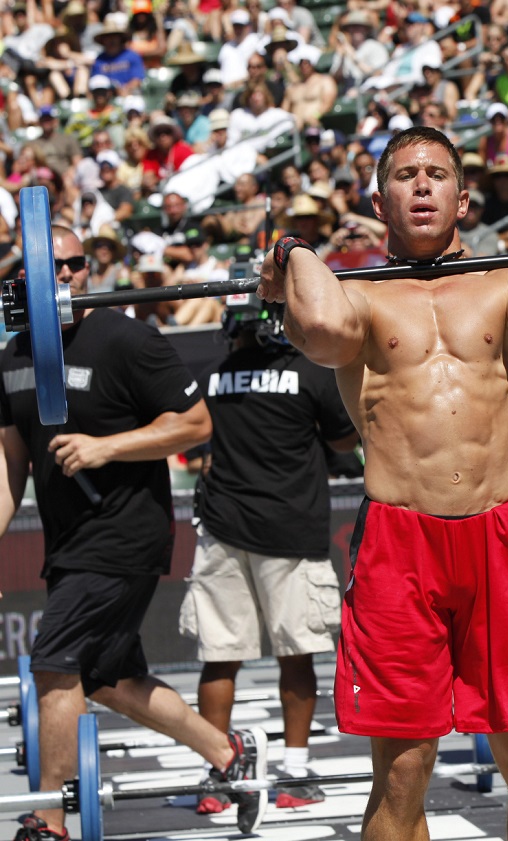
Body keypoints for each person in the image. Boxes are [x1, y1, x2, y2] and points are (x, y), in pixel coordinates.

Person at [256, 126, 508, 841]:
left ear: (464, 197)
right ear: (380, 202)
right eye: (405, 175)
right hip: (399, 542)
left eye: (437, 173)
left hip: (501, 535)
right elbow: (320, 328)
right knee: (402, 768)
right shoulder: (358, 296)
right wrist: (292, 252)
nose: (422, 184)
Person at [0, 226, 268, 841]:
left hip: (126, 531)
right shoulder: (12, 356)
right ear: (26, 274)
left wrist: (106, 447)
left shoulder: (124, 338)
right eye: (51, 266)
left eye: (74, 264)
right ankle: (228, 753)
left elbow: (196, 423)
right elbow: (10, 471)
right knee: (108, 679)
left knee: (55, 667)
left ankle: (48, 822)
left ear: (88, 269)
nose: (64, 275)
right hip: (66, 541)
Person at [180, 294, 358, 814]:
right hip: (291, 531)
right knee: (295, 653)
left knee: (219, 657)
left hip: (221, 529)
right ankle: (294, 772)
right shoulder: (310, 372)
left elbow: (192, 447)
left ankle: (216, 769)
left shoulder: (209, 374)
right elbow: (345, 443)